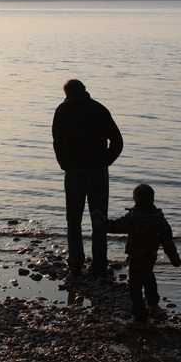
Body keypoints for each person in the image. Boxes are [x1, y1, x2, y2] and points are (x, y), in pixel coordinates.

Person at [52, 79, 123, 279]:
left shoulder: (63, 110)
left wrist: (64, 163)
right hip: (98, 171)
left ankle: (75, 263)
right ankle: (99, 264)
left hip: (74, 171)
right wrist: (105, 161)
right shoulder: (99, 108)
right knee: (99, 218)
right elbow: (117, 141)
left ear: (66, 92)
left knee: (73, 219)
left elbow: (58, 141)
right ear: (84, 90)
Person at [93, 184, 181, 325]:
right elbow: (167, 241)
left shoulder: (133, 217)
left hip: (136, 256)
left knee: (135, 286)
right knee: (149, 278)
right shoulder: (159, 218)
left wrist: (97, 216)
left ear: (135, 199)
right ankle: (153, 305)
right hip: (151, 255)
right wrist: (174, 259)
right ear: (152, 199)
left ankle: (140, 317)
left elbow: (112, 227)